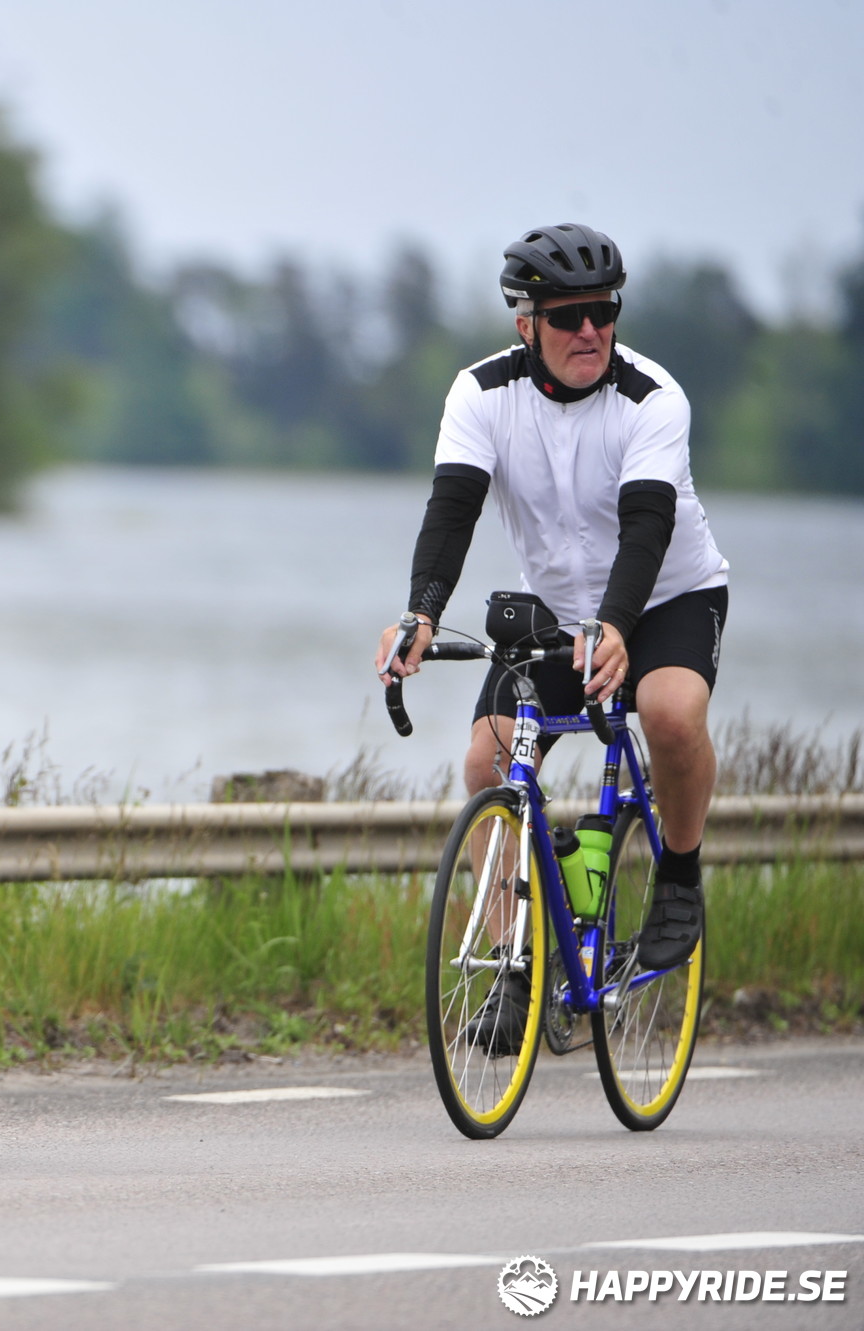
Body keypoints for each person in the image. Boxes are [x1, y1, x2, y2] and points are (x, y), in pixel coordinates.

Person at [375, 223, 729, 1049]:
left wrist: (618, 627)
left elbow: (647, 527)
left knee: (669, 711)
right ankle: (516, 970)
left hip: (669, 594)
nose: (590, 331)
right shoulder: (481, 394)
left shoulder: (653, 398)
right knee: (487, 761)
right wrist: (421, 612)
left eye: (605, 311)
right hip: (560, 607)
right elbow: (452, 512)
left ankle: (679, 876)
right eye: (568, 317)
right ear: (525, 324)